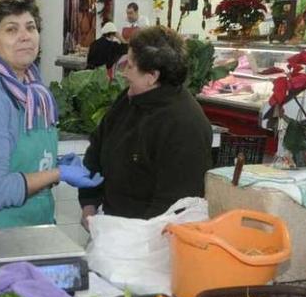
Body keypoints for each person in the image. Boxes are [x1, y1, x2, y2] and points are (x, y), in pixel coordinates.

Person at [0, 0, 103, 231]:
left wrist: (53, 162)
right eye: (11, 30)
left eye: (31, 27)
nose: (25, 37)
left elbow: (16, 160)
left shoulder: (35, 93)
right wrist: (57, 173)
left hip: (35, 228)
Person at [78, 26, 212, 228]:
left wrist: (133, 241)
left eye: (130, 66)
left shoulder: (184, 125)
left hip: (149, 243)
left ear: (152, 76)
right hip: (113, 228)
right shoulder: (130, 98)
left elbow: (173, 208)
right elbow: (97, 147)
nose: (124, 73)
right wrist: (89, 205)